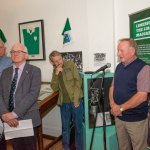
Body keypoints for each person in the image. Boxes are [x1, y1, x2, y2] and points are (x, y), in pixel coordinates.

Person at [109, 38, 150, 150]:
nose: (118, 53)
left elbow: (142, 96)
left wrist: (121, 108)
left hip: (136, 120)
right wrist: (113, 105)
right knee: (123, 147)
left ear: (132, 51)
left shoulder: (144, 68)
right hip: (119, 118)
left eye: (121, 50)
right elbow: (112, 87)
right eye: (118, 50)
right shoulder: (119, 67)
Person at [0, 43, 41, 150]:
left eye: (18, 52)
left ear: (26, 55)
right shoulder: (5, 72)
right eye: (13, 52)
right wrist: (4, 114)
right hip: (9, 119)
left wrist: (13, 114)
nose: (15, 54)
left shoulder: (35, 71)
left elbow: (33, 95)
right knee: (16, 147)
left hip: (27, 118)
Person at [49, 50, 84, 150]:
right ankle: (66, 148)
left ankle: (79, 148)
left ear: (62, 57)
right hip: (64, 103)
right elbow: (54, 88)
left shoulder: (70, 65)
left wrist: (76, 99)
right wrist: (56, 74)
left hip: (75, 101)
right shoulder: (54, 71)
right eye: (55, 61)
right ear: (52, 62)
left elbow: (78, 81)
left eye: (59, 59)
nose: (58, 62)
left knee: (78, 128)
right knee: (65, 128)